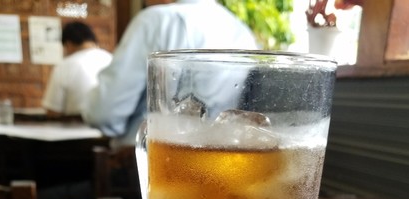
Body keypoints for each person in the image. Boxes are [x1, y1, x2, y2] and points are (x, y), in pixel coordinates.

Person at [82, 0, 258, 146]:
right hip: (222, 160)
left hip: (146, 162)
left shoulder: (155, 20)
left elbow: (104, 113)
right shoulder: (241, 31)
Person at [42, 21, 113, 117]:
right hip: (115, 125)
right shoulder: (112, 60)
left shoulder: (64, 66)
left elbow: (53, 112)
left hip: (76, 125)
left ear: (68, 44)